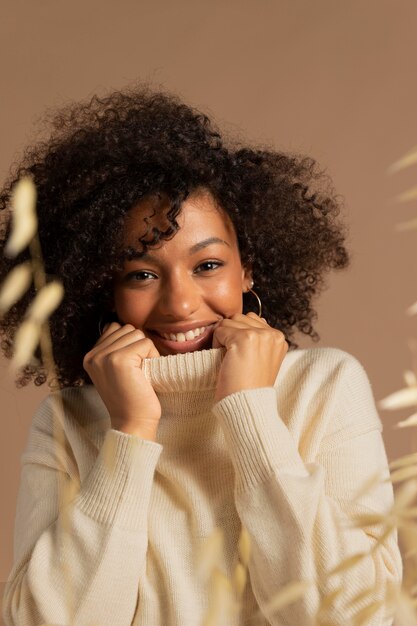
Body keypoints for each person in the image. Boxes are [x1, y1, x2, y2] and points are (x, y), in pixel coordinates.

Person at [1, 85, 402, 626]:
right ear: (103, 288)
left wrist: (252, 413)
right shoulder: (69, 422)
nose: (181, 303)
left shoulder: (324, 386)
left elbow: (358, 618)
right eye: (142, 274)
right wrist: (130, 433)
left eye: (207, 265)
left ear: (248, 269)